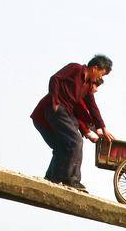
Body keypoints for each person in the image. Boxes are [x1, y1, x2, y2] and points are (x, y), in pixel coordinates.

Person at [30, 54, 113, 190]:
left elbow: (92, 107)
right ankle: (71, 179)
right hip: (57, 109)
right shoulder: (76, 68)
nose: (100, 78)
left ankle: (52, 177)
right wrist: (55, 100)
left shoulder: (86, 87)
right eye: (101, 75)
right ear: (95, 68)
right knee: (76, 141)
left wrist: (102, 128)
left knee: (64, 145)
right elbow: (55, 78)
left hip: (67, 114)